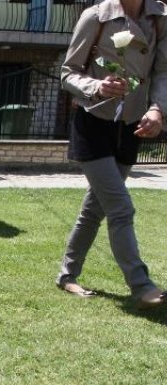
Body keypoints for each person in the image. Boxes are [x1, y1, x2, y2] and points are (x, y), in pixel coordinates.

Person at [57, 0, 166, 309]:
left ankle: (67, 276)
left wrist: (158, 109)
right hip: (93, 124)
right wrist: (97, 85)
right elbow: (68, 72)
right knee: (120, 208)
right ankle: (141, 284)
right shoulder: (96, 17)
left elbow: (163, 73)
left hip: (131, 126)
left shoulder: (160, 19)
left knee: (94, 210)